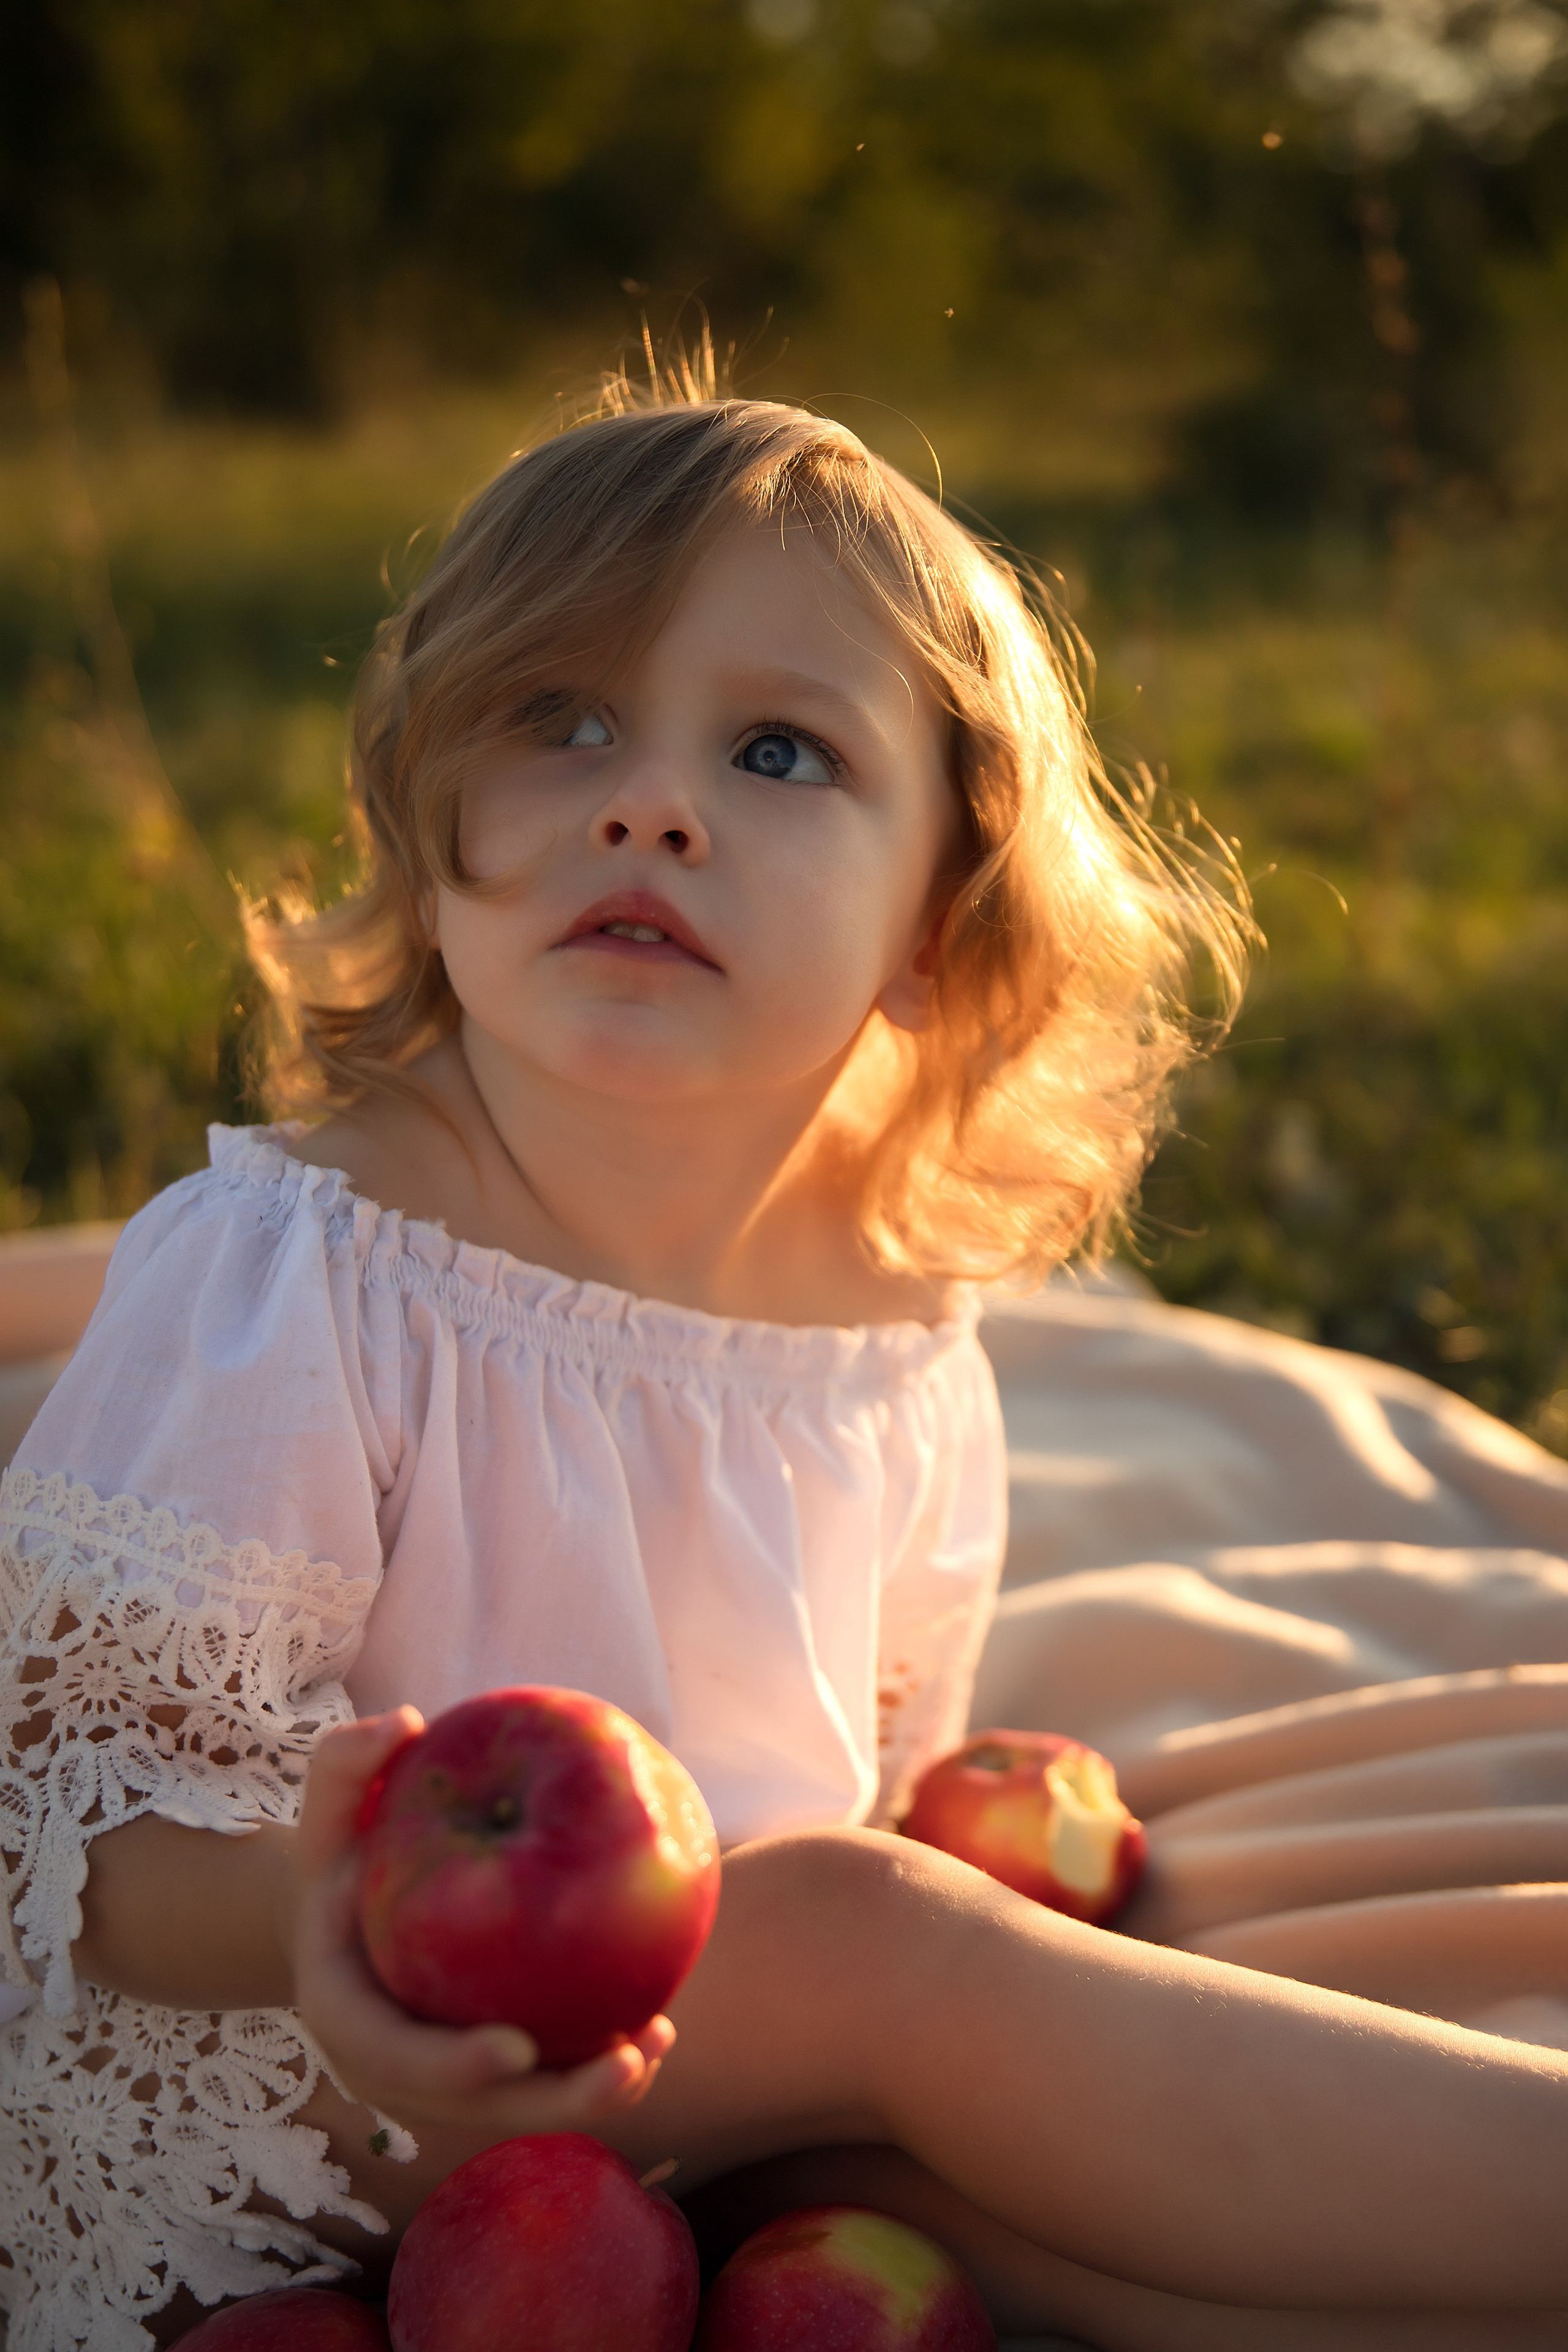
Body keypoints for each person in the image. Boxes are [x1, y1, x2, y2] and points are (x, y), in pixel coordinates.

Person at [1, 380, 1563, 2352]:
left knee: (988, 2169)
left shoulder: (893, 1339)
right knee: (874, 1948)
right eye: (557, 717)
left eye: (775, 749)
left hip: (646, 2112)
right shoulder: (301, 1272)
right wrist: (315, 1918)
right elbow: (74, 1831)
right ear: (427, 807)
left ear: (938, 914)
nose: (648, 801)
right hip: (257, 2093)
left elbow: (871, 1760)